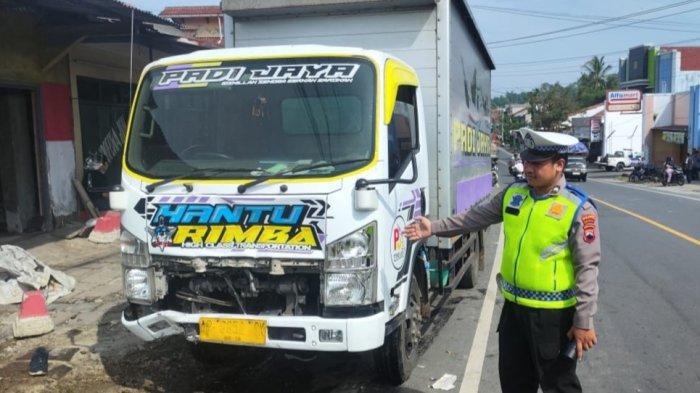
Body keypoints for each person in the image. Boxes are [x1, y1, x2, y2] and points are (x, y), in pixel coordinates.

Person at [405, 129, 600, 393]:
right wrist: (435, 227)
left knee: (559, 386)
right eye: (526, 161)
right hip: (514, 314)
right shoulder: (514, 194)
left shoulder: (578, 208)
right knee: (514, 384)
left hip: (552, 320)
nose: (528, 169)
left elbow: (587, 269)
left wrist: (583, 322)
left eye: (537, 164)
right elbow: (474, 218)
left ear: (559, 165)